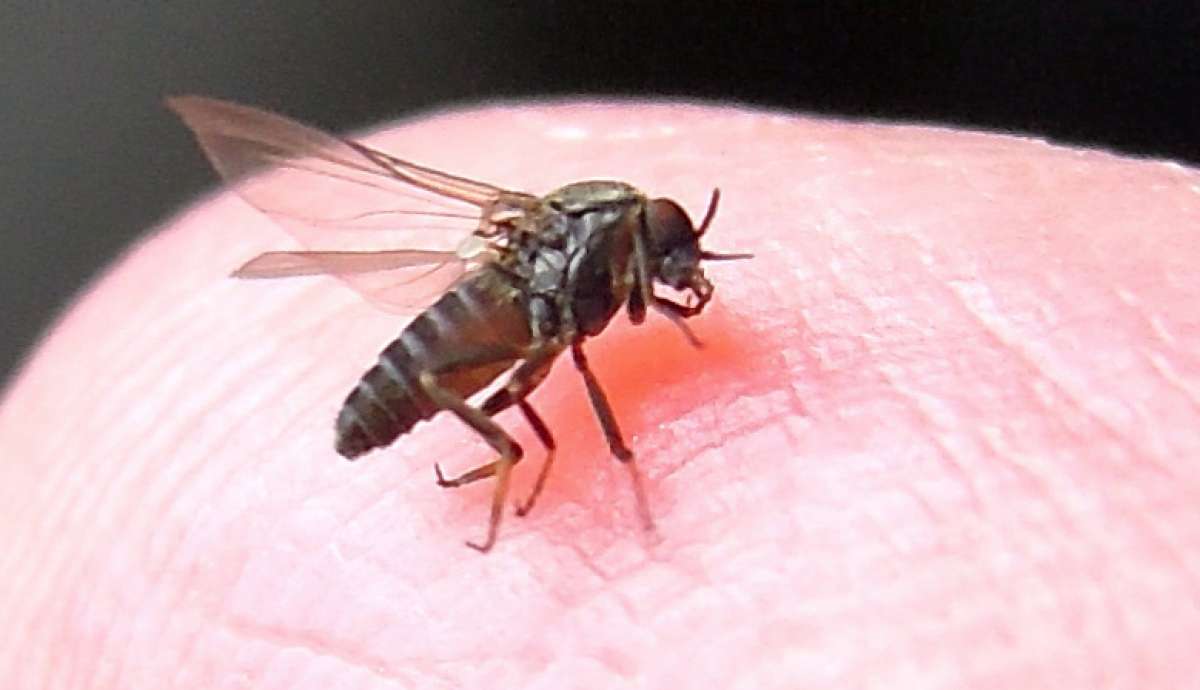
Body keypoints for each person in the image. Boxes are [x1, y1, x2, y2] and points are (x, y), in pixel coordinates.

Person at [2, 103, 1197, 687]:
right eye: (667, 254)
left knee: (532, 373)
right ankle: (521, 467)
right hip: (453, 352)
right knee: (538, 379)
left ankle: (509, 460)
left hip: (482, 336)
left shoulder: (610, 251)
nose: (674, 271)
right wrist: (595, 478)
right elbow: (564, 353)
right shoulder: (585, 254)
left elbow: (593, 322)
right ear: (630, 240)